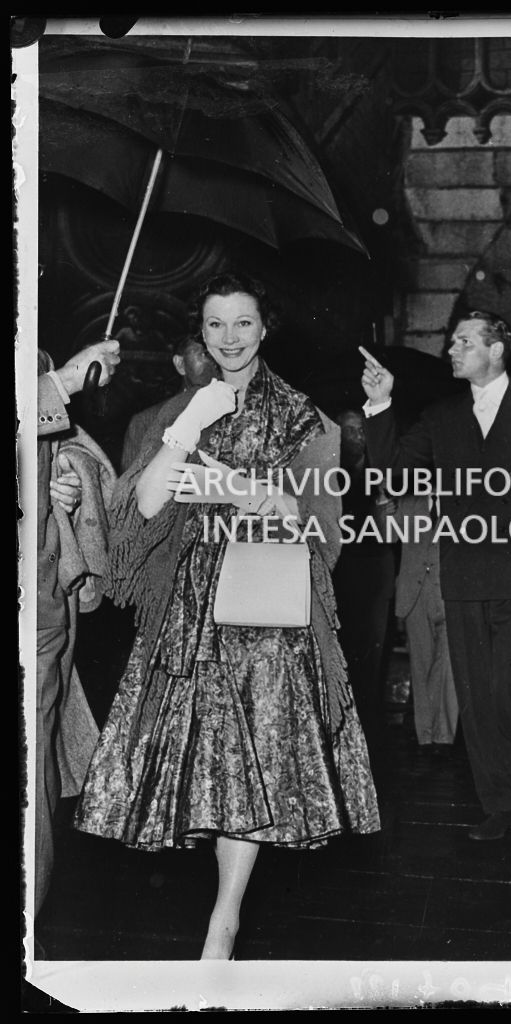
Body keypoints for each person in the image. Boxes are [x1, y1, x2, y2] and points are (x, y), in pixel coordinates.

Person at [72, 272, 380, 960]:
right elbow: (143, 510)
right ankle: (222, 911)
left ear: (264, 328)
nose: (231, 338)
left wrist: (244, 492)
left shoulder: (305, 417)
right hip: (186, 610)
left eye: (243, 323)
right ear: (200, 334)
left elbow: (324, 533)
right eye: (216, 325)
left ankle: (225, 918)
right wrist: (190, 426)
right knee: (203, 759)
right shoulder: (172, 413)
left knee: (251, 756)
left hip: (262, 609)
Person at [361, 311, 511, 841]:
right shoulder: (443, 416)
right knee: (475, 691)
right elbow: (392, 470)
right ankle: (502, 801)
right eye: (451, 342)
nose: (451, 349)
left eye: (463, 341)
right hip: (463, 573)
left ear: (496, 351)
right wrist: (380, 403)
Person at [35, 339, 120, 916]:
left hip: (38, 601)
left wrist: (51, 484)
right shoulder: (45, 373)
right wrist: (61, 384)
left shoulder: (31, 356)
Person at [331, 409, 396, 786]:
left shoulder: (380, 470)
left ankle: (368, 733)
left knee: (372, 651)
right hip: (340, 571)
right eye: (349, 429)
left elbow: (391, 529)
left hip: (374, 569)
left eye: (360, 429)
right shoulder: (328, 472)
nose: (356, 436)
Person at [393, 491, 459, 755]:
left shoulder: (462, 499)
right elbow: (388, 534)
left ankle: (443, 737)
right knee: (421, 666)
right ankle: (426, 737)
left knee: (448, 665)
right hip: (415, 595)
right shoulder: (410, 501)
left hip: (450, 594)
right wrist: (383, 501)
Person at [120, 336, 218, 470]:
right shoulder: (145, 422)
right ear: (180, 364)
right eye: (205, 353)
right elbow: (130, 487)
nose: (216, 360)